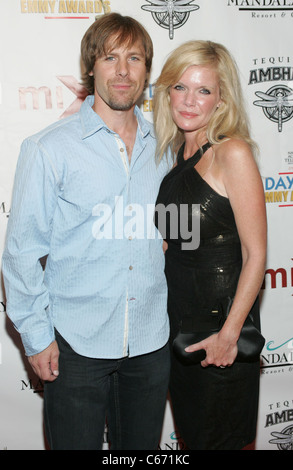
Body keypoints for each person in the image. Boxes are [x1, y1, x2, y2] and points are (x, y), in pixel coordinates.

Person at [2, 13, 171, 450]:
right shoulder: (48, 149)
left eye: (134, 58)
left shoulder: (166, 150)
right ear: (90, 67)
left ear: (147, 71)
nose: (122, 70)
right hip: (75, 345)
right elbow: (21, 253)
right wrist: (37, 339)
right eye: (109, 57)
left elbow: (173, 235)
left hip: (151, 343)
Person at [153, 40, 267, 450]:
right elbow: (174, 246)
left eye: (203, 90)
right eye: (181, 87)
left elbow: (256, 255)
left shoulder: (231, 152)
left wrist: (229, 335)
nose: (189, 100)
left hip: (221, 340)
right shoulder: (177, 157)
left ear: (221, 99)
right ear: (167, 91)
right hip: (180, 336)